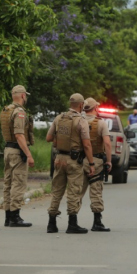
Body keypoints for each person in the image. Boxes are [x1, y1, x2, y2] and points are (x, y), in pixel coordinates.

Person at [46, 93, 96, 234]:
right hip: (74, 161)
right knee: (74, 191)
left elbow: (48, 137)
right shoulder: (81, 121)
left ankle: (51, 223)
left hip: (59, 159)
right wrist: (91, 163)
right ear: (81, 105)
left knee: (57, 191)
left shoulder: (59, 118)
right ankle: (72, 223)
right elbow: (86, 144)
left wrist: (59, 141)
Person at [0, 85, 34, 228]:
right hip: (17, 151)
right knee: (18, 183)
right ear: (23, 96)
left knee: (8, 183)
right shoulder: (19, 112)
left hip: (7, 149)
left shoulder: (6, 110)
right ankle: (15, 216)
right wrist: (28, 154)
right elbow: (19, 135)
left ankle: (8, 216)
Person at [79, 98, 112, 232]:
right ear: (95, 108)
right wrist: (108, 161)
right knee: (96, 191)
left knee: (77, 191)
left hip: (80, 160)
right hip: (96, 160)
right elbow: (108, 144)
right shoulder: (101, 123)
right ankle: (97, 222)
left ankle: (72, 220)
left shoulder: (78, 122)